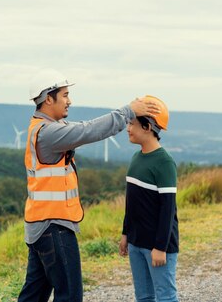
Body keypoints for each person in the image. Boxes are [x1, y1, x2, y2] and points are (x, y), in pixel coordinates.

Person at [17, 69, 160, 302]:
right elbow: (88, 130)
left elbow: (84, 128)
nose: (69, 101)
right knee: (70, 296)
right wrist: (128, 112)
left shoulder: (42, 128)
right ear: (48, 98)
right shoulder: (49, 133)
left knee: (33, 295)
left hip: (40, 226)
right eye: (64, 95)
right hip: (54, 226)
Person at [119, 95, 179, 302]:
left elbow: (168, 210)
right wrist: (126, 234)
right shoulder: (137, 158)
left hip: (157, 246)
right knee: (143, 297)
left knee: (165, 296)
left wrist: (160, 248)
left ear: (148, 127)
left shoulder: (164, 163)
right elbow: (131, 203)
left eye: (132, 123)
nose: (128, 128)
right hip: (136, 242)